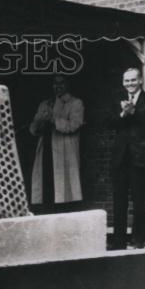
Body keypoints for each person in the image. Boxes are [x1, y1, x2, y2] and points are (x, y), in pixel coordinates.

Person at [107, 67, 145, 249]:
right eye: (126, 81)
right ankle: (119, 240)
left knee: (138, 201)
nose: (129, 84)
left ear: (139, 81)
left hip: (140, 158)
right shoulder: (117, 99)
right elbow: (110, 123)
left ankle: (138, 239)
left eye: (132, 80)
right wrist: (122, 114)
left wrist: (134, 112)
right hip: (120, 158)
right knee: (119, 200)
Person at [29, 75, 84, 213]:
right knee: (47, 186)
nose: (58, 86)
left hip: (64, 151)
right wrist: (39, 122)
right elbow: (33, 129)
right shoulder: (45, 104)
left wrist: (53, 119)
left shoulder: (75, 103)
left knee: (63, 189)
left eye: (61, 83)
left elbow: (74, 125)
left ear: (67, 85)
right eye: (55, 83)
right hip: (46, 149)